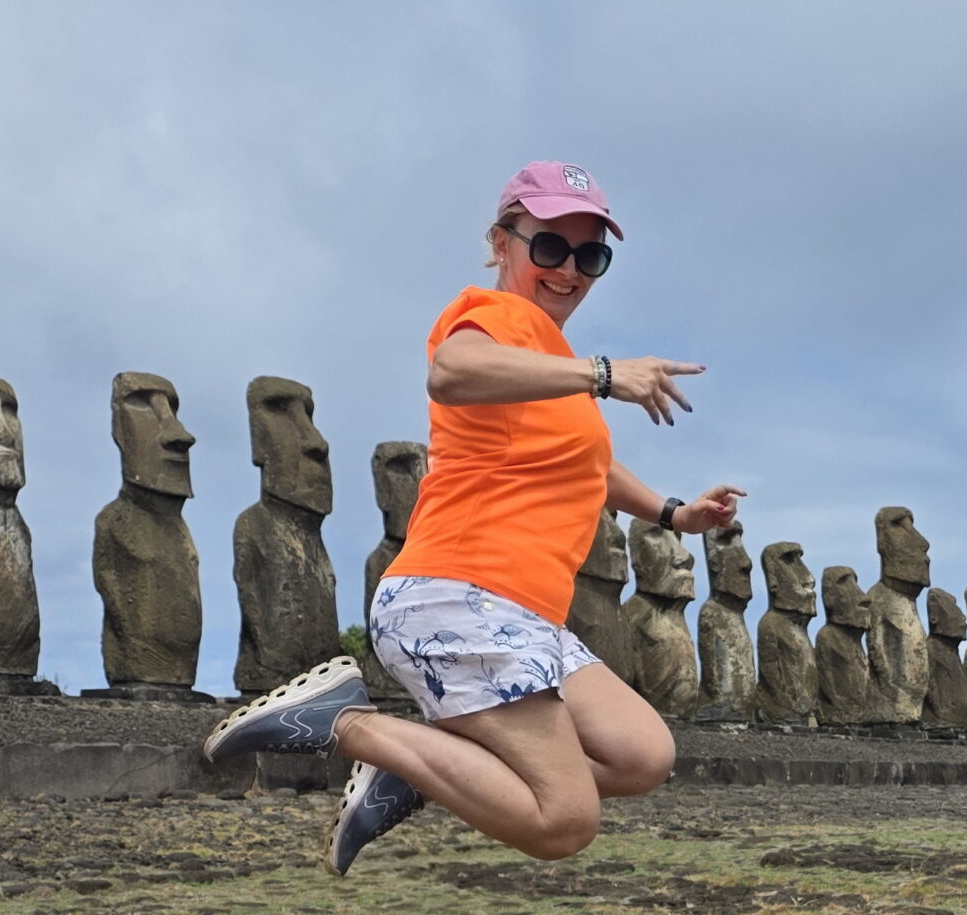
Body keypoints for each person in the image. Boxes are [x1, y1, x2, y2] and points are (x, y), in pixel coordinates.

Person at [202, 161, 741, 874]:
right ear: (502, 241)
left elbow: (590, 467)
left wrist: (674, 513)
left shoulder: (547, 359)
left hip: (524, 612)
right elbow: (450, 371)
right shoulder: (499, 317)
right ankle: (346, 721)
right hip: (459, 593)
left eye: (590, 256)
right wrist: (604, 374)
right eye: (549, 246)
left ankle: (424, 767)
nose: (569, 270)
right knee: (564, 820)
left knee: (643, 753)